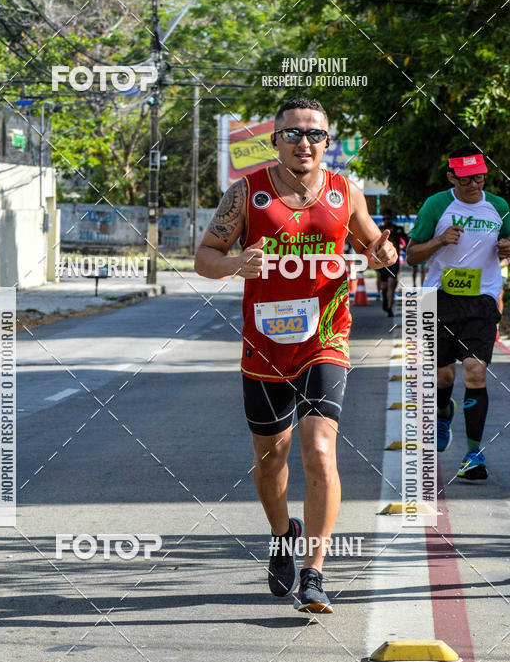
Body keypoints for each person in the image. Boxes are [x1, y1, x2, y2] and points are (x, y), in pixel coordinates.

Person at [195, 97, 397, 612]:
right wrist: (237, 262)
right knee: (270, 460)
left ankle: (314, 573)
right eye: (293, 134)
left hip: (324, 338)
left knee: (320, 449)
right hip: (264, 345)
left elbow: (374, 245)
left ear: (327, 142)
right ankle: (283, 533)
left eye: (315, 135)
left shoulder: (345, 192)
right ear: (276, 141)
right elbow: (204, 258)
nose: (304, 143)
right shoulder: (246, 193)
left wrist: (384, 253)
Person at [406, 145, 510, 481]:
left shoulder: (500, 207)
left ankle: (473, 454)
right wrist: (439, 242)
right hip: (440, 299)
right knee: (444, 377)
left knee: (475, 372)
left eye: (479, 176)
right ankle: (442, 411)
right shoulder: (437, 205)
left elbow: (506, 248)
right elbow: (411, 256)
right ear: (452, 176)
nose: (474, 183)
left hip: (482, 300)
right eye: (466, 178)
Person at [378, 208, 406, 316]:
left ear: (391, 218)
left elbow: (407, 240)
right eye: (384, 219)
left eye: (388, 218)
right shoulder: (380, 230)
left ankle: (389, 308)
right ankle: (385, 302)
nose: (386, 220)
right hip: (382, 262)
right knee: (384, 287)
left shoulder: (397, 230)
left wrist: (405, 248)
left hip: (394, 262)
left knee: (391, 283)